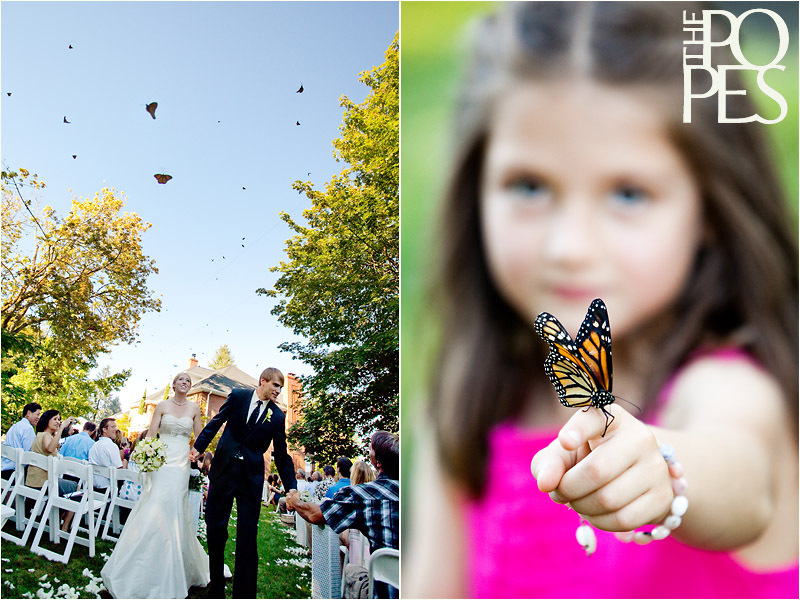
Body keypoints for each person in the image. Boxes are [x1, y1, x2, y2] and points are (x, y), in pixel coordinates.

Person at [403, 2, 799, 598]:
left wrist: (663, 469)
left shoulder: (729, 386)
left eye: (629, 194)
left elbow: (743, 474)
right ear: (475, 188)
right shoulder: (464, 403)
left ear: (710, 211)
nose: (569, 247)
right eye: (529, 186)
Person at [190, 367, 298, 599]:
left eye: (281, 387)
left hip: (250, 478)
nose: (279, 391)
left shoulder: (277, 416)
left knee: (248, 536)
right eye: (276, 385)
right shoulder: (238, 396)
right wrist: (198, 447)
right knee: (215, 528)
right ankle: (216, 588)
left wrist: (291, 487)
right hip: (224, 471)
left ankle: (244, 594)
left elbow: (281, 456)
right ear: (263, 381)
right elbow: (216, 422)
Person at [101, 372, 210, 598]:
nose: (185, 383)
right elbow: (151, 435)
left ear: (190, 387)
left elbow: (200, 437)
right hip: (160, 460)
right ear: (174, 384)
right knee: (155, 502)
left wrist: (196, 453)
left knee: (174, 506)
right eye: (181, 380)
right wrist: (146, 454)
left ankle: (174, 562)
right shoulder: (161, 405)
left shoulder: (193, 409)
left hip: (180, 463)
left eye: (188, 381)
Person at [287, 431, 400, 598]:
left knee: (351, 571)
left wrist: (294, 500)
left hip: (385, 592)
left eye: (370, 449)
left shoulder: (365, 496)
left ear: (378, 462)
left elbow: (315, 515)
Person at [26, 410, 79, 530]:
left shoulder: (40, 434)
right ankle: (63, 525)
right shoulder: (46, 435)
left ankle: (55, 519)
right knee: (75, 487)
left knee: (65, 488)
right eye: (55, 419)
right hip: (43, 483)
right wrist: (62, 428)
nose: (58, 422)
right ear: (47, 420)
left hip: (33, 480)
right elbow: (49, 449)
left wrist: (56, 437)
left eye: (59, 419)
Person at [1, 402, 42, 479]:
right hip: (14, 471)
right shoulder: (28, 428)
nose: (39, 418)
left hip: (4, 467)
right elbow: (30, 454)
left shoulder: (15, 426)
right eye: (37, 414)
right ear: (28, 413)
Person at [88, 418, 127, 491]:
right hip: (108, 489)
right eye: (112, 427)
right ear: (104, 430)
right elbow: (120, 471)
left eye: (115, 427)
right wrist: (125, 465)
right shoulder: (111, 446)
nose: (116, 429)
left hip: (92, 486)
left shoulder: (94, 445)